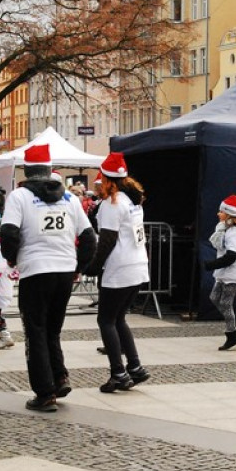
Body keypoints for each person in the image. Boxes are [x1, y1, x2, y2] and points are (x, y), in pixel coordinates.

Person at [1, 145, 96, 412]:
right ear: (49, 169)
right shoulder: (69, 198)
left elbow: (8, 233)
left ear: (27, 170)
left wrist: (11, 258)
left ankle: (44, 393)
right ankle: (59, 376)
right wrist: (79, 266)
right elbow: (89, 237)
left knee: (35, 330)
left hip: (36, 269)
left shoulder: (20, 196)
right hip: (64, 268)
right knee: (53, 328)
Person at [83, 153, 152, 390]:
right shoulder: (133, 201)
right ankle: (135, 367)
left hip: (119, 268)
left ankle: (119, 373)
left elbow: (107, 240)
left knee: (106, 320)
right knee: (118, 318)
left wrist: (93, 266)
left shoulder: (112, 203)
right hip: (137, 265)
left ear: (106, 179)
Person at [204, 196, 236, 351]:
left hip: (233, 273)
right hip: (224, 272)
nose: (218, 214)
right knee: (214, 297)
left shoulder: (235, 232)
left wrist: (212, 264)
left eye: (221, 211)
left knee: (225, 303)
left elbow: (232, 255)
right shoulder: (225, 229)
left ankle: (231, 334)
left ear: (229, 214)